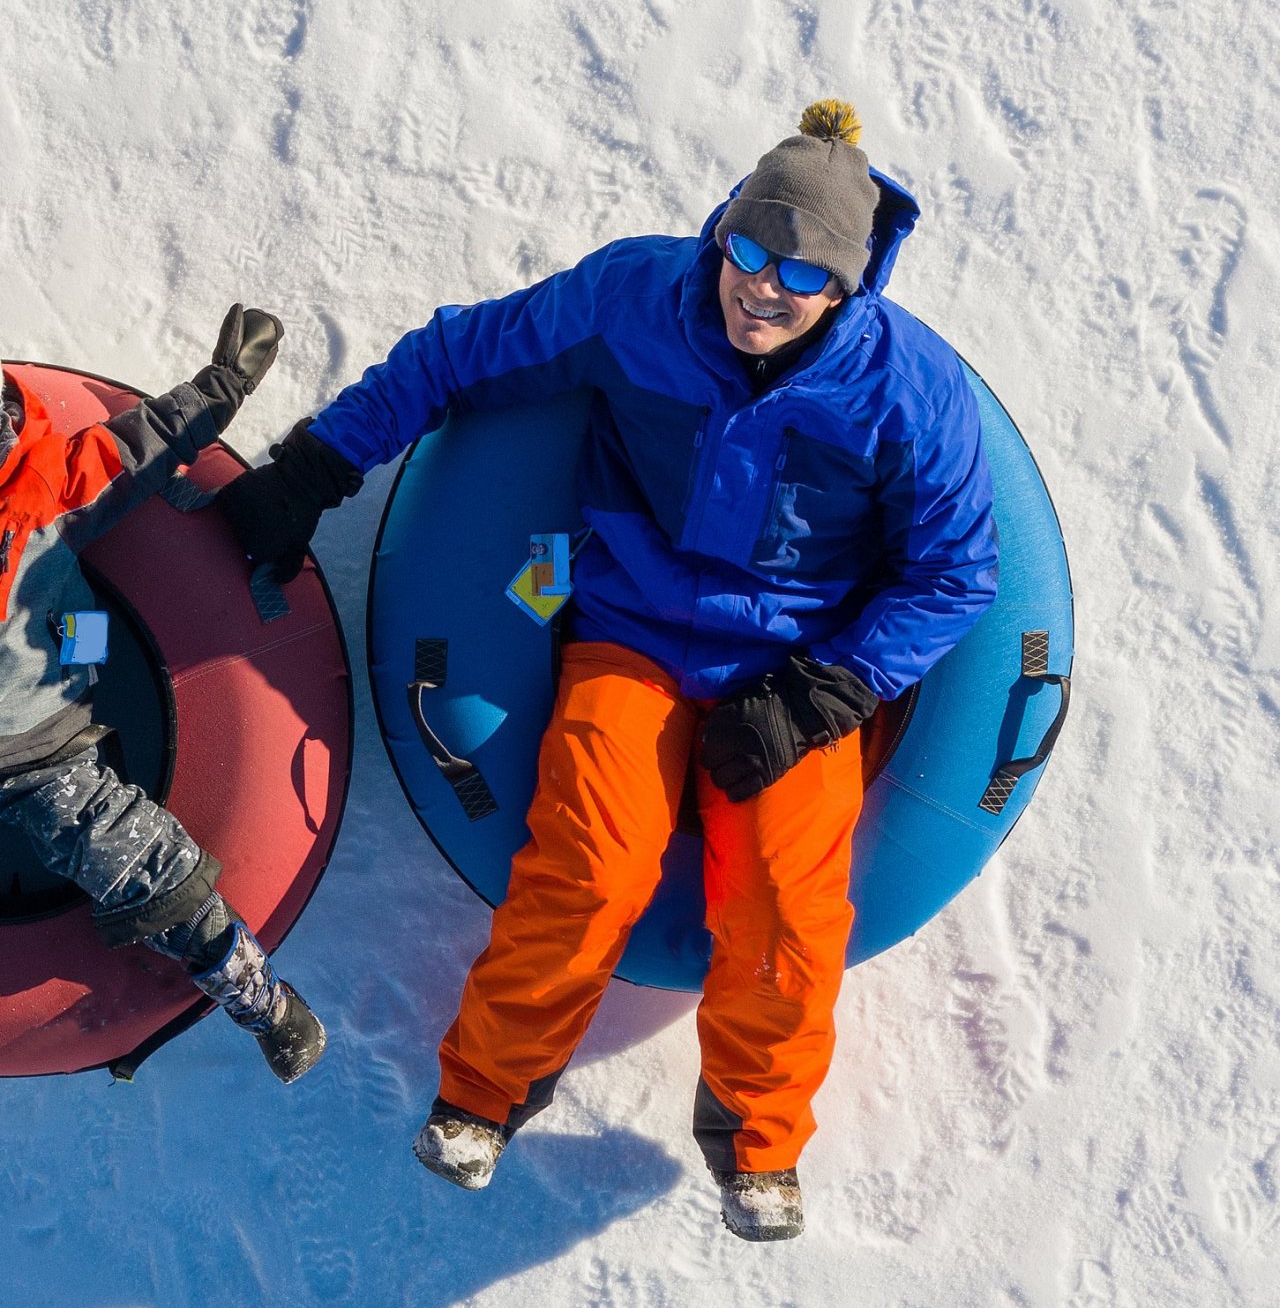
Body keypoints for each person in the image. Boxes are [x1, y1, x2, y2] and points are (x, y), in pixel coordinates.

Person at [218, 101, 999, 1235]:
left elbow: (958, 570)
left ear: (846, 287)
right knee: (588, 862)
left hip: (793, 667)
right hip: (629, 633)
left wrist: (825, 689)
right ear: (718, 230)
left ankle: (757, 1140)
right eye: (745, 248)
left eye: (796, 272)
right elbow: (459, 353)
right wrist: (316, 463)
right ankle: (483, 1094)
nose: (759, 287)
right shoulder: (637, 297)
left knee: (785, 900)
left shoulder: (904, 391)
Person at [0, 309, 325, 1081]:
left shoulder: (41, 490)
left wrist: (225, 385)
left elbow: (139, 449)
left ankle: (254, 991)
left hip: (41, 741)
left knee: (128, 849)